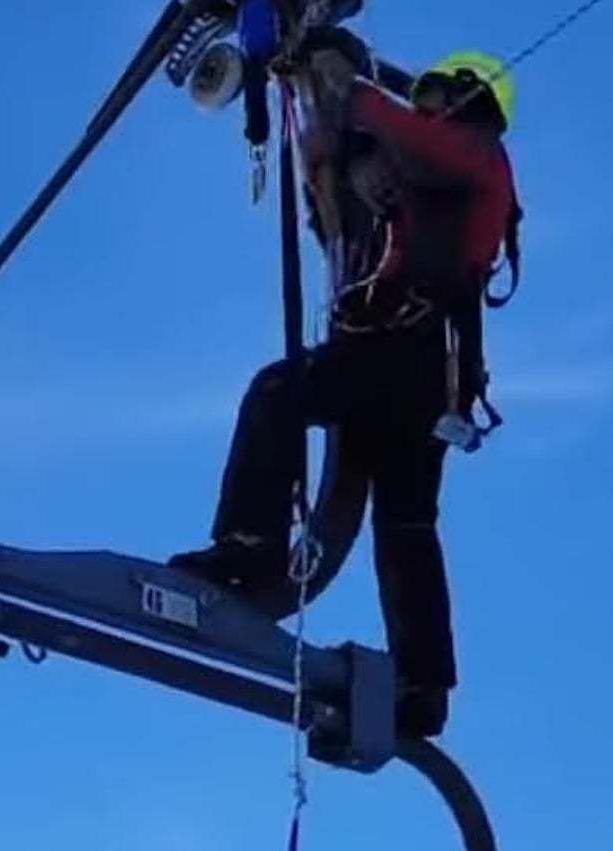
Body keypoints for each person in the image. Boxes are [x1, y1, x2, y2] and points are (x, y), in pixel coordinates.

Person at [169, 31, 522, 738]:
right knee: (407, 527)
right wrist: (319, 111)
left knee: (278, 396)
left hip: (408, 357)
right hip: (404, 369)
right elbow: (337, 197)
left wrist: (353, 88)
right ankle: (423, 683)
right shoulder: (411, 183)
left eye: (434, 99)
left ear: (465, 99)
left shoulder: (476, 152)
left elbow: (420, 146)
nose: (422, 111)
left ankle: (249, 543)